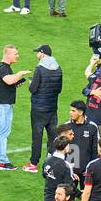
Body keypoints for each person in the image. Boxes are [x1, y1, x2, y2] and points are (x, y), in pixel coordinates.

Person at [0, 45, 30, 170]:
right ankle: (2, 162)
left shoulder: (4, 67)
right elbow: (9, 81)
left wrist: (18, 80)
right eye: (15, 54)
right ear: (7, 55)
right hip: (2, 106)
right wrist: (19, 74)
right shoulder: (3, 68)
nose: (17, 56)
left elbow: (8, 83)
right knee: (2, 133)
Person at [25, 45, 63, 173]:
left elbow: (33, 89)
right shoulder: (58, 68)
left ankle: (33, 163)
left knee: (37, 136)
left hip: (39, 108)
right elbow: (59, 89)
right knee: (52, 136)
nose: (37, 55)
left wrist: (31, 83)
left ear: (42, 54)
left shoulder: (40, 68)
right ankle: (50, 162)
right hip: (52, 108)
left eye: (38, 53)